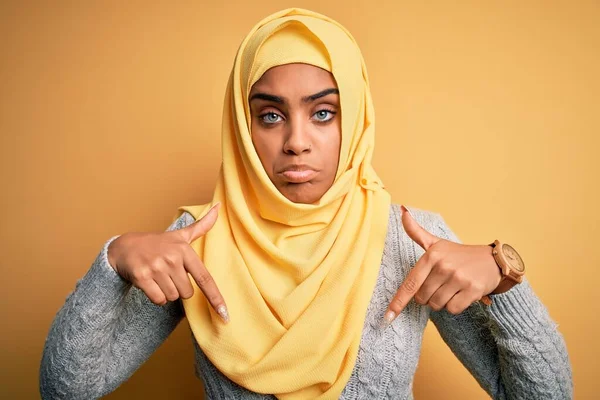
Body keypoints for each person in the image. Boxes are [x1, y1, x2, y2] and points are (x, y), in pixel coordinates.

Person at [39, 8, 572, 400]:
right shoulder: (196, 240)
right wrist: (114, 262)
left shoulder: (409, 238)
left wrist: (503, 279)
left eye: (323, 114)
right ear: (243, 128)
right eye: (271, 116)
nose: (296, 141)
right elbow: (66, 390)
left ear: (356, 117)